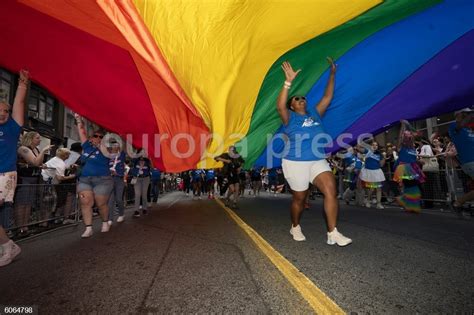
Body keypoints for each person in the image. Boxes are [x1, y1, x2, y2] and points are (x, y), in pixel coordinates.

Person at [277, 59, 351, 246]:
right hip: (295, 161)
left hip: (317, 160)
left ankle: (332, 233)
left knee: (331, 191)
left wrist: (332, 74)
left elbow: (327, 98)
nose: (301, 100)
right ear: (292, 105)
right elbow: (280, 106)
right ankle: (295, 226)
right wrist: (288, 82)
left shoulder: (315, 114)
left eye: (303, 98)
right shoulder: (289, 118)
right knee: (300, 198)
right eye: (297, 98)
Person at [0, 69, 28, 267]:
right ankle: (8, 245)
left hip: (6, 175)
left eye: (5, 111)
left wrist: (23, 84)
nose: (3, 113)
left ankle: (8, 245)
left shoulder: (12, 127)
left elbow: (18, 103)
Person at [75, 114, 113, 238]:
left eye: (100, 136)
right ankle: (88, 228)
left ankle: (105, 221)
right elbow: (81, 131)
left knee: (100, 203)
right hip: (85, 180)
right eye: (95, 135)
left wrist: (101, 144)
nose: (97, 137)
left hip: (103, 180)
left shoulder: (108, 149)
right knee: (85, 202)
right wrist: (78, 119)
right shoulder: (86, 147)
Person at [393, 120, 426, 213]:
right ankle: (409, 203)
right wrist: (403, 126)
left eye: (410, 137)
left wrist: (419, 161)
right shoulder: (401, 147)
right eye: (407, 137)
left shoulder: (412, 149)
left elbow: (413, 159)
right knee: (413, 187)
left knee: (409, 187)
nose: (410, 138)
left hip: (414, 169)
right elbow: (400, 137)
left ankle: (408, 205)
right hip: (404, 169)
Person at [40, 148, 76, 225]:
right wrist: (71, 176)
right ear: (65, 155)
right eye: (68, 154)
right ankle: (44, 222)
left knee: (46, 202)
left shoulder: (55, 159)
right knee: (50, 202)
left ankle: (43, 221)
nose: (69, 156)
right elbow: (60, 177)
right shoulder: (60, 163)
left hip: (44, 181)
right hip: (49, 183)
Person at [449, 108, 474, 212]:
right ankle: (458, 202)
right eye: (466, 113)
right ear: (460, 114)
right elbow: (461, 124)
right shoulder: (454, 126)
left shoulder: (468, 129)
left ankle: (458, 203)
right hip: (469, 161)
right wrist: (471, 114)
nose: (468, 115)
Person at [358, 141, 386, 209]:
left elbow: (381, 165)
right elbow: (359, 148)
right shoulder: (367, 151)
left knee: (378, 188)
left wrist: (384, 157)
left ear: (378, 146)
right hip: (369, 172)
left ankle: (379, 204)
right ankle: (368, 200)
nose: (374, 146)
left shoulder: (380, 154)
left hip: (377, 172)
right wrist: (364, 141)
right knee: (371, 189)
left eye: (376, 145)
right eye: (373, 145)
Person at [106, 141, 126, 224]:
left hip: (119, 179)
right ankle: (110, 218)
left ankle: (121, 214)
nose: (114, 147)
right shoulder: (107, 156)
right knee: (110, 200)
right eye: (113, 145)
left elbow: (124, 147)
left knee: (118, 199)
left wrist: (123, 137)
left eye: (116, 145)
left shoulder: (121, 155)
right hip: (109, 179)